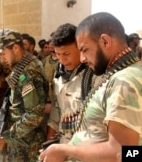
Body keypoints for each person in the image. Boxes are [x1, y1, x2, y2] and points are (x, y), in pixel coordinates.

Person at [39, 12, 142, 162]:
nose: (82, 58)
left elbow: (124, 153)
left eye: (85, 49)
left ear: (105, 42)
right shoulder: (121, 75)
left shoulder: (124, 81)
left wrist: (64, 150)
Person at [0, 29, 48, 162]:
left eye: (3, 53)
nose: (2, 59)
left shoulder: (29, 73)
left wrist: (8, 136)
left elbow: (34, 114)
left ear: (15, 48)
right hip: (21, 139)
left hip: (27, 144)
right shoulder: (22, 68)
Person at [46, 23, 97, 143]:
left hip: (86, 144)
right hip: (65, 143)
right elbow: (55, 116)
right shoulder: (59, 74)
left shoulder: (93, 75)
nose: (62, 60)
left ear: (79, 48)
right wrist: (48, 143)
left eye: (66, 54)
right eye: (58, 54)